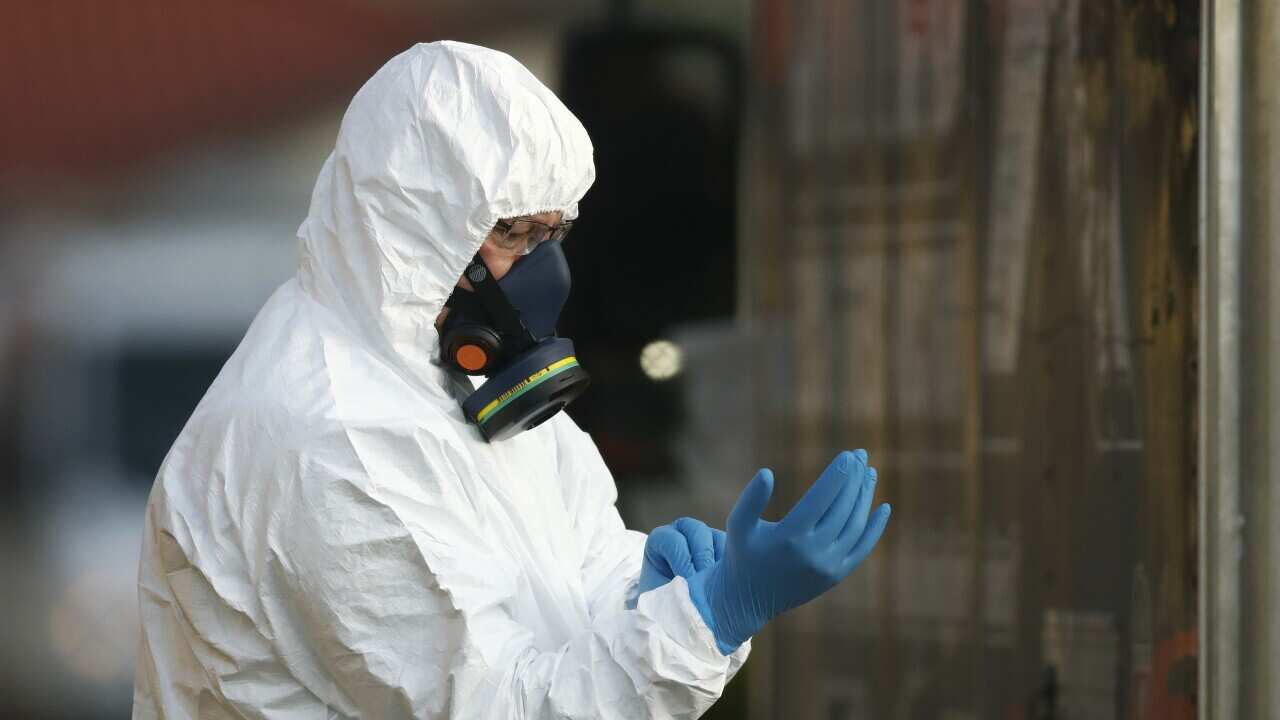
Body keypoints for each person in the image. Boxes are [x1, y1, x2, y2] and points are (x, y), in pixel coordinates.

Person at [133, 41, 890, 719]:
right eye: (512, 233)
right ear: (413, 226)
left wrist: (646, 593)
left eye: (552, 234)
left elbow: (567, 578)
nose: (542, 270)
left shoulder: (444, 382)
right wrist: (714, 618)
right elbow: (501, 705)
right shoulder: (323, 438)